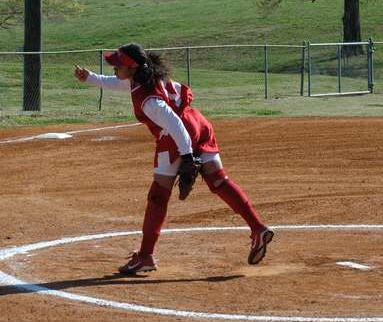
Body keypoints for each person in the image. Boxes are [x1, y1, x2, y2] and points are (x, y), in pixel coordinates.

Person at [74, 43, 274, 274]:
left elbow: (174, 124)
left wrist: (187, 157)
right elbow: (119, 83)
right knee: (218, 180)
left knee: (158, 195)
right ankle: (258, 227)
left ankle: (145, 256)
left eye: (118, 65)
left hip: (176, 135)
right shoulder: (148, 77)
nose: (114, 68)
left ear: (132, 67)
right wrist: (90, 78)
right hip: (199, 123)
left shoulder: (149, 101)